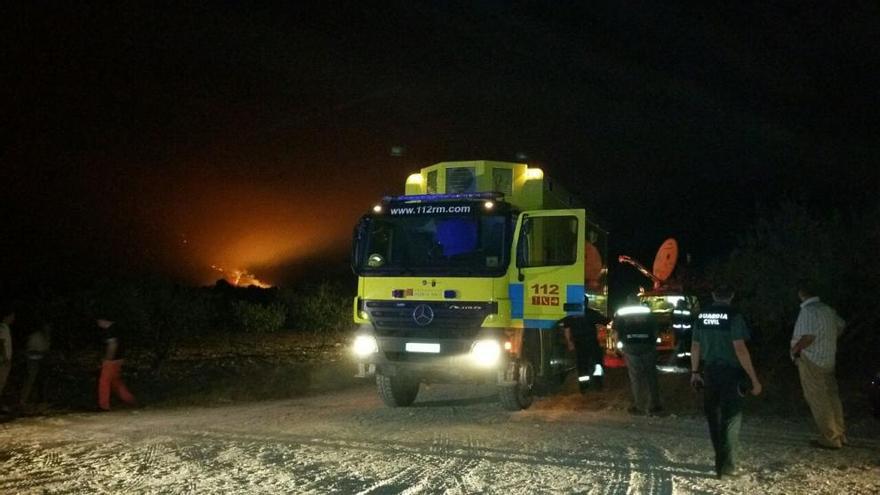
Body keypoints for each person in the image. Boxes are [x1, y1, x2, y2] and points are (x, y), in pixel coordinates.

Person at [690, 284, 761, 479]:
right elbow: (740, 348)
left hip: (710, 373)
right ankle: (727, 467)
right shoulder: (734, 317)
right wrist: (754, 379)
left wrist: (695, 372)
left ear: (713, 295)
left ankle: (719, 463)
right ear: (732, 296)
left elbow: (695, 347)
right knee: (731, 419)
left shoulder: (702, 317)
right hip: (732, 374)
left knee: (714, 418)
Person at [790, 278, 846, 449]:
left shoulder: (808, 310)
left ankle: (830, 437)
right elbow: (841, 326)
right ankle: (840, 433)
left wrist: (796, 351)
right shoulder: (827, 309)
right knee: (831, 396)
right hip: (828, 357)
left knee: (817, 398)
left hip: (812, 359)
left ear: (801, 293)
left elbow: (808, 337)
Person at [614, 295, 663, 415]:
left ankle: (639, 406)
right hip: (647, 346)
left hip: (630, 347)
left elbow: (616, 332)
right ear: (638, 301)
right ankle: (654, 405)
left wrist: (617, 347)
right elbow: (655, 330)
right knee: (651, 375)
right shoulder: (647, 311)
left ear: (627, 302)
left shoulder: (621, 312)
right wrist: (653, 344)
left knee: (636, 377)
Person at [560, 306, 610, 392]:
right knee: (597, 363)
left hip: (579, 344)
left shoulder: (572, 314)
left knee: (582, 366)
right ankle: (598, 385)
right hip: (592, 343)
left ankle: (584, 388)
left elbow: (567, 329)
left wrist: (569, 342)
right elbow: (606, 321)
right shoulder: (591, 312)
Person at [96, 318, 136, 411]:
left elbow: (112, 345)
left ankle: (103, 406)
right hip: (119, 358)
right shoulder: (117, 328)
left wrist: (108, 359)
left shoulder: (110, 330)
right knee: (115, 381)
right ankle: (130, 400)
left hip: (112, 360)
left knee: (104, 382)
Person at [19, 321, 51, 411]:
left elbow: (46, 349)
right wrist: (40, 353)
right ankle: (23, 400)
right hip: (33, 360)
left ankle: (39, 401)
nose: (48, 329)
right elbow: (29, 350)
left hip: (41, 360)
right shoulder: (36, 336)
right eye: (47, 327)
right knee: (30, 379)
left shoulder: (47, 336)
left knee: (41, 381)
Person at [0, 306, 14, 412]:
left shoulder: (5, 328)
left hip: (5, 359)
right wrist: (5, 358)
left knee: (2, 383)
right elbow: (1, 343)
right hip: (3, 360)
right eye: (12, 316)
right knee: (1, 382)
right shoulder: (2, 327)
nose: (13, 319)